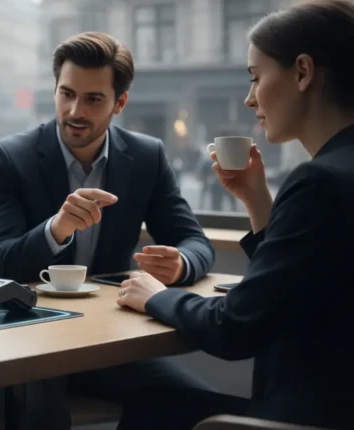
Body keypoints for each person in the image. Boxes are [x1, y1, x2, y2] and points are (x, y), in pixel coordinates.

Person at [117, 1, 354, 429]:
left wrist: (155, 295)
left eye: (255, 78)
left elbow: (236, 328)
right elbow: (296, 283)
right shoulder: (337, 175)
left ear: (303, 72)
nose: (249, 99)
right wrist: (256, 200)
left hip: (307, 418)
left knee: (152, 409)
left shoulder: (319, 182)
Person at [0, 30, 216, 422]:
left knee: (196, 404)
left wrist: (182, 264)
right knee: (41, 413)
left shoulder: (146, 156)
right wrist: (56, 228)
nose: (75, 111)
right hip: (27, 344)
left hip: (108, 345)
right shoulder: (7, 158)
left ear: (119, 103)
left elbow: (193, 240)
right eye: (66, 94)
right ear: (55, 90)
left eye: (93, 99)